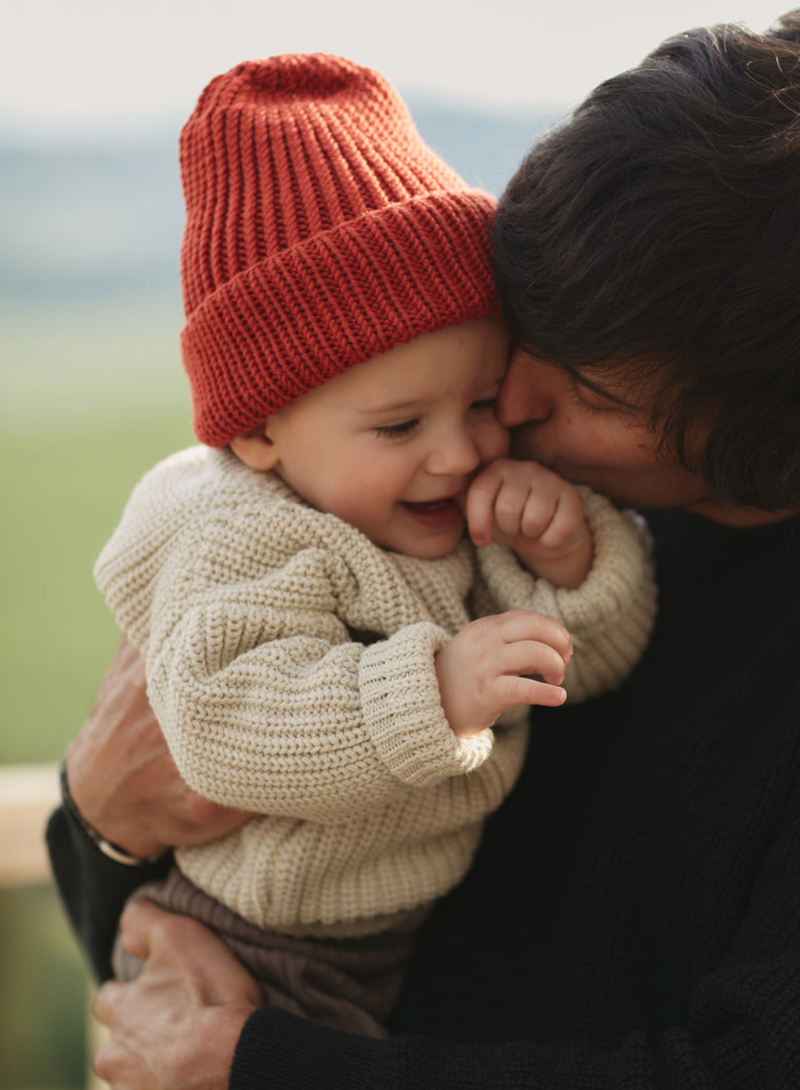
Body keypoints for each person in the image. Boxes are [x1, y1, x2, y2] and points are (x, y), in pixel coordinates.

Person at [47, 9, 800, 1088]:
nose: (505, 410)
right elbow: (161, 968)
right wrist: (103, 824)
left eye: (582, 387)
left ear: (754, 423)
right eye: (521, 328)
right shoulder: (403, 512)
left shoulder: (573, 539)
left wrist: (269, 1066)